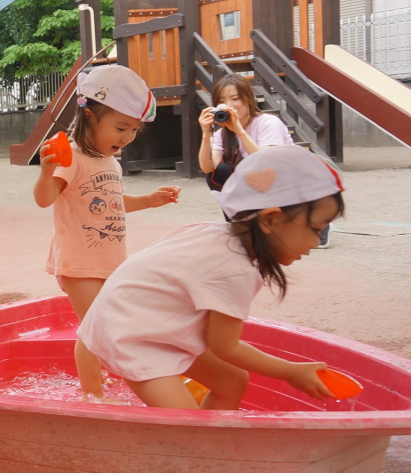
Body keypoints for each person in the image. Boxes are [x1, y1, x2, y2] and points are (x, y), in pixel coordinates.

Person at [76, 145, 345, 408]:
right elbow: (226, 348)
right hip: (131, 336)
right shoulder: (235, 269)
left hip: (135, 319)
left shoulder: (214, 233)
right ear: (271, 218)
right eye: (316, 228)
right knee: (185, 429)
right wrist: (291, 371)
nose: (315, 242)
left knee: (232, 381)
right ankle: (198, 446)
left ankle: (215, 435)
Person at [34, 64, 181, 397]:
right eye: (121, 127)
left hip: (109, 261)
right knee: (95, 329)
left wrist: (149, 200)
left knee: (110, 325)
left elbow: (111, 202)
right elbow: (46, 200)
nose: (127, 138)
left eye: (134, 131)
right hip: (79, 263)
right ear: (90, 116)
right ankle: (92, 395)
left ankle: (100, 378)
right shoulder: (71, 157)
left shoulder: (109, 162)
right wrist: (45, 174)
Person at [198, 74, 293, 194]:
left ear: (248, 99)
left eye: (235, 98)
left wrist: (240, 131)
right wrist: (206, 134)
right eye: (222, 101)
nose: (229, 105)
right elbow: (208, 168)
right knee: (220, 171)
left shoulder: (268, 122)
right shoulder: (221, 133)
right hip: (254, 189)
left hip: (283, 187)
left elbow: (266, 164)